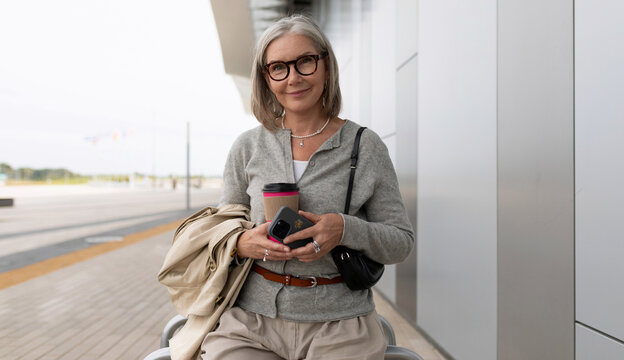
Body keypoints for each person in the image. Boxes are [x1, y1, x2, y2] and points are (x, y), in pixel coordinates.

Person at [201, 14, 414, 360]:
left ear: (326, 65)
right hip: (251, 324)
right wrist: (242, 242)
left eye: (305, 62)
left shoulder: (365, 146)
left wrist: (344, 229)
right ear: (266, 79)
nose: (293, 77)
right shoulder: (248, 148)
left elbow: (401, 243)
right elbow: (219, 234)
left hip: (340, 325)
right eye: (278, 68)